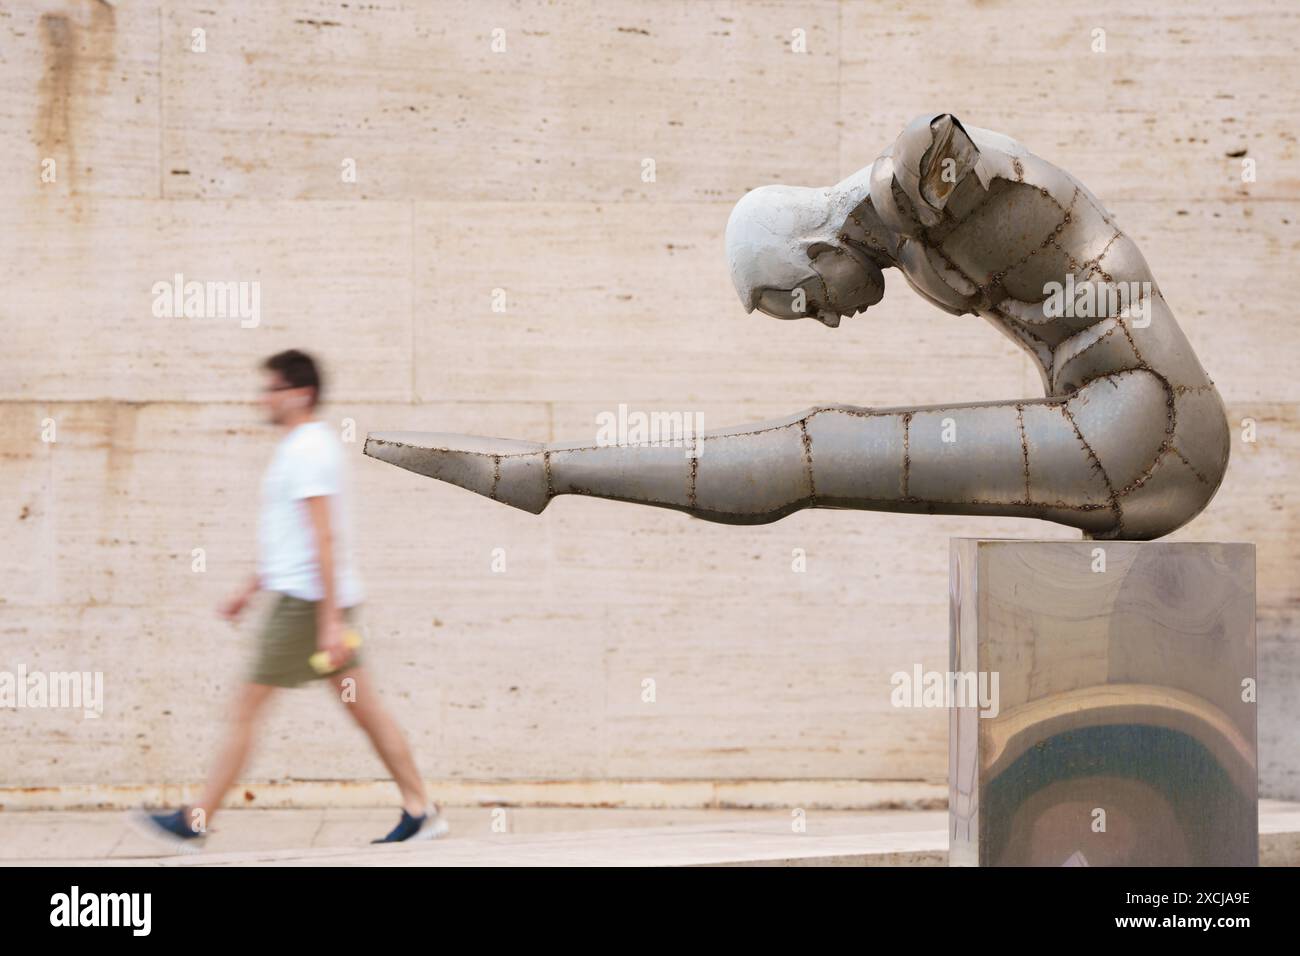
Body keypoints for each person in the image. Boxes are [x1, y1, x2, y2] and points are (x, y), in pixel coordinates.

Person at [130, 350, 447, 852]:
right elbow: (290, 539)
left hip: (306, 607)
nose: (263, 398)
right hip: (314, 603)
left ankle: (196, 819)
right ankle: (420, 808)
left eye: (272, 388)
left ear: (299, 393)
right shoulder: (302, 447)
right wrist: (248, 590)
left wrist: (324, 624)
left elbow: (323, 539)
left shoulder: (308, 450)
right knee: (365, 709)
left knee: (245, 710)